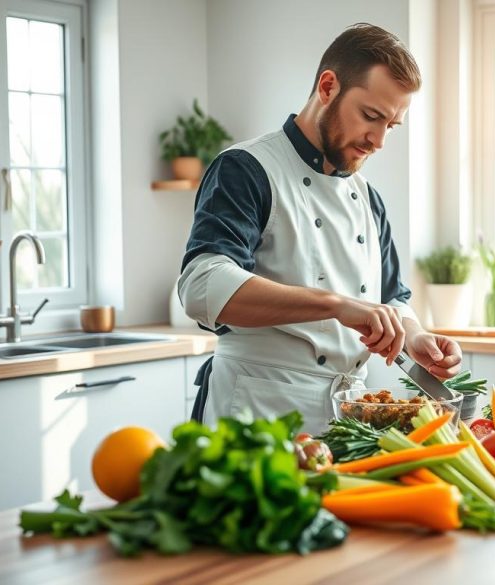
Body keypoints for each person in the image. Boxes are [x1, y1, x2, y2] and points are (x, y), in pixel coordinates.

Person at [178, 23, 462, 432]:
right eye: (371, 116)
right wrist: (334, 304)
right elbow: (202, 286)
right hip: (258, 414)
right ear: (328, 87)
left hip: (349, 420)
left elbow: (391, 296)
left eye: (392, 125)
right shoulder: (247, 169)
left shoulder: (367, 196)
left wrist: (414, 337)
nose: (379, 140)